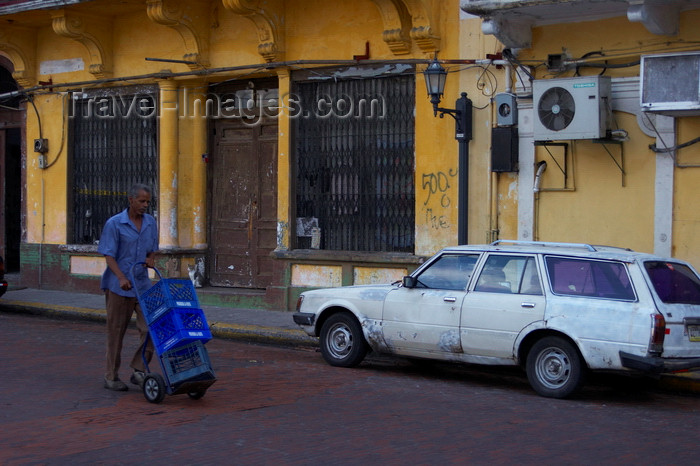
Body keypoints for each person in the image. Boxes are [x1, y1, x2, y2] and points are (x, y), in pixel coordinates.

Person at [98, 183, 159, 391]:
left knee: (152, 327)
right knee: (116, 332)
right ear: (130, 200)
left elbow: (152, 249)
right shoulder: (115, 224)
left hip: (142, 285)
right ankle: (111, 376)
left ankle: (139, 369)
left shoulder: (150, 222)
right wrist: (121, 277)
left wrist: (151, 258)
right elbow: (109, 255)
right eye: (141, 201)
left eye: (148, 202)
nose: (145, 205)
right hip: (119, 286)